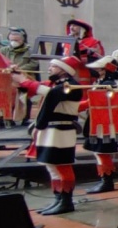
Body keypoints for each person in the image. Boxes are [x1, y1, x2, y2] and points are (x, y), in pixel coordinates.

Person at [12, 56, 88, 215]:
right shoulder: (58, 85)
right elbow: (43, 88)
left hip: (61, 130)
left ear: (63, 69)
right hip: (51, 130)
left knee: (62, 166)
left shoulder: (71, 86)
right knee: (52, 166)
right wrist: (21, 77)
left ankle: (66, 201)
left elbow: (51, 93)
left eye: (53, 66)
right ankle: (58, 199)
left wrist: (24, 81)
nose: (49, 68)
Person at [80, 57, 118, 194]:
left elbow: (97, 102)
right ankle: (104, 180)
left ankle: (107, 181)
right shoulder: (101, 82)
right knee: (99, 153)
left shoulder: (108, 84)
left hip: (104, 122)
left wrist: (77, 107)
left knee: (102, 152)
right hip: (98, 121)